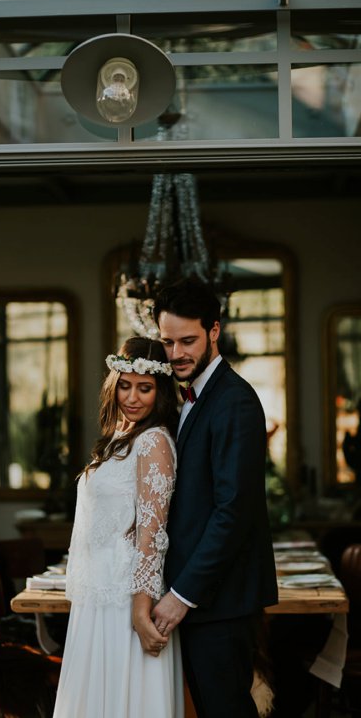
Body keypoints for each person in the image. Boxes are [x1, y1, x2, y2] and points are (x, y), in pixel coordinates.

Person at [151, 277, 278, 718]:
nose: (176, 354)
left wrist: (181, 594)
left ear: (214, 331)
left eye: (188, 340)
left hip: (220, 603)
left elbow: (233, 511)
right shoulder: (180, 396)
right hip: (201, 602)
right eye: (167, 342)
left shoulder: (235, 401)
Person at [53, 337, 182, 717]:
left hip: (125, 601)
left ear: (159, 392)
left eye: (145, 388)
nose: (133, 397)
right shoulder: (120, 437)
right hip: (99, 596)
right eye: (124, 385)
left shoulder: (154, 441)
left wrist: (141, 613)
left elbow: (153, 535)